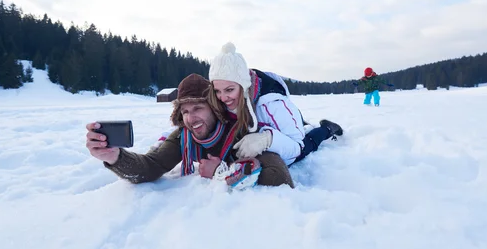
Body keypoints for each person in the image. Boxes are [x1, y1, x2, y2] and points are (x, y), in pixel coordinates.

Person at [86, 73, 294, 190]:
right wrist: (115, 157)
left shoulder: (242, 130)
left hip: (289, 135)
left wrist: (221, 173)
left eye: (198, 108)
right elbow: (149, 168)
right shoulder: (184, 136)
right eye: (184, 111)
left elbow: (279, 177)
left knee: (310, 139)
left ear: (214, 108)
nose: (190, 118)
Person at [207, 42, 344, 167]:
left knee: (308, 143)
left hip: (290, 128)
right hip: (281, 123)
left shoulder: (273, 105)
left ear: (244, 86)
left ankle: (327, 128)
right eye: (218, 91)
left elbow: (297, 146)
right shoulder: (222, 101)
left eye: (229, 90)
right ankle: (303, 124)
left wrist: (267, 140)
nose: (223, 98)